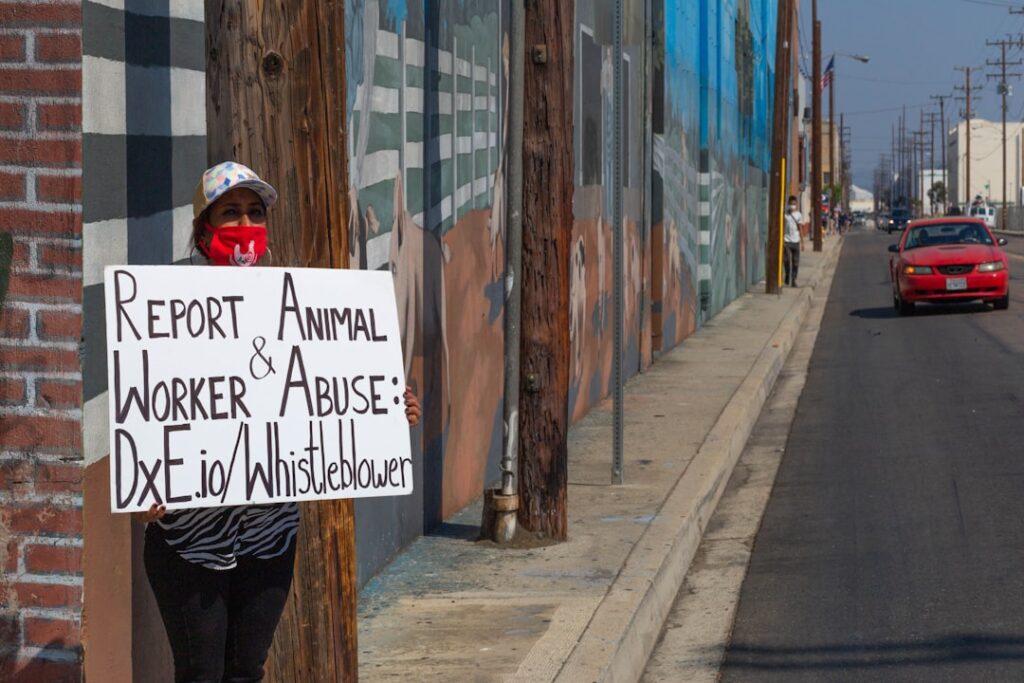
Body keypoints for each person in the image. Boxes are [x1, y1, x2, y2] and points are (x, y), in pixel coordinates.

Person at [139, 161, 423, 682]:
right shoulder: (164, 304)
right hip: (189, 539)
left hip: (269, 534)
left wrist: (386, 406)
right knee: (200, 673)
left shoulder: (297, 305)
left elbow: (336, 387)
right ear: (205, 228)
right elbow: (147, 406)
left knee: (247, 669)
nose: (245, 224)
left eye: (254, 212)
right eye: (230, 213)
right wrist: (142, 489)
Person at [783, 195, 803, 287]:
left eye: (794, 204)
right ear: (788, 204)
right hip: (786, 240)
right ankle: (787, 275)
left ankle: (793, 279)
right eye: (791, 204)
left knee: (795, 262)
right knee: (786, 260)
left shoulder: (798, 215)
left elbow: (800, 228)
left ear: (797, 204)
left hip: (796, 241)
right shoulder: (785, 215)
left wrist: (802, 242)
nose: (792, 206)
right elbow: (782, 227)